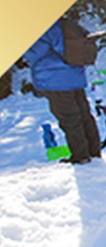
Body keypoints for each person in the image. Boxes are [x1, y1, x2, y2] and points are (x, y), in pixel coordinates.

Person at [23, 19, 101, 164]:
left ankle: (81, 156)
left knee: (70, 119)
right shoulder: (64, 23)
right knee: (84, 115)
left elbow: (34, 53)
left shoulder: (41, 26)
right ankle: (93, 152)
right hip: (74, 75)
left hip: (54, 78)